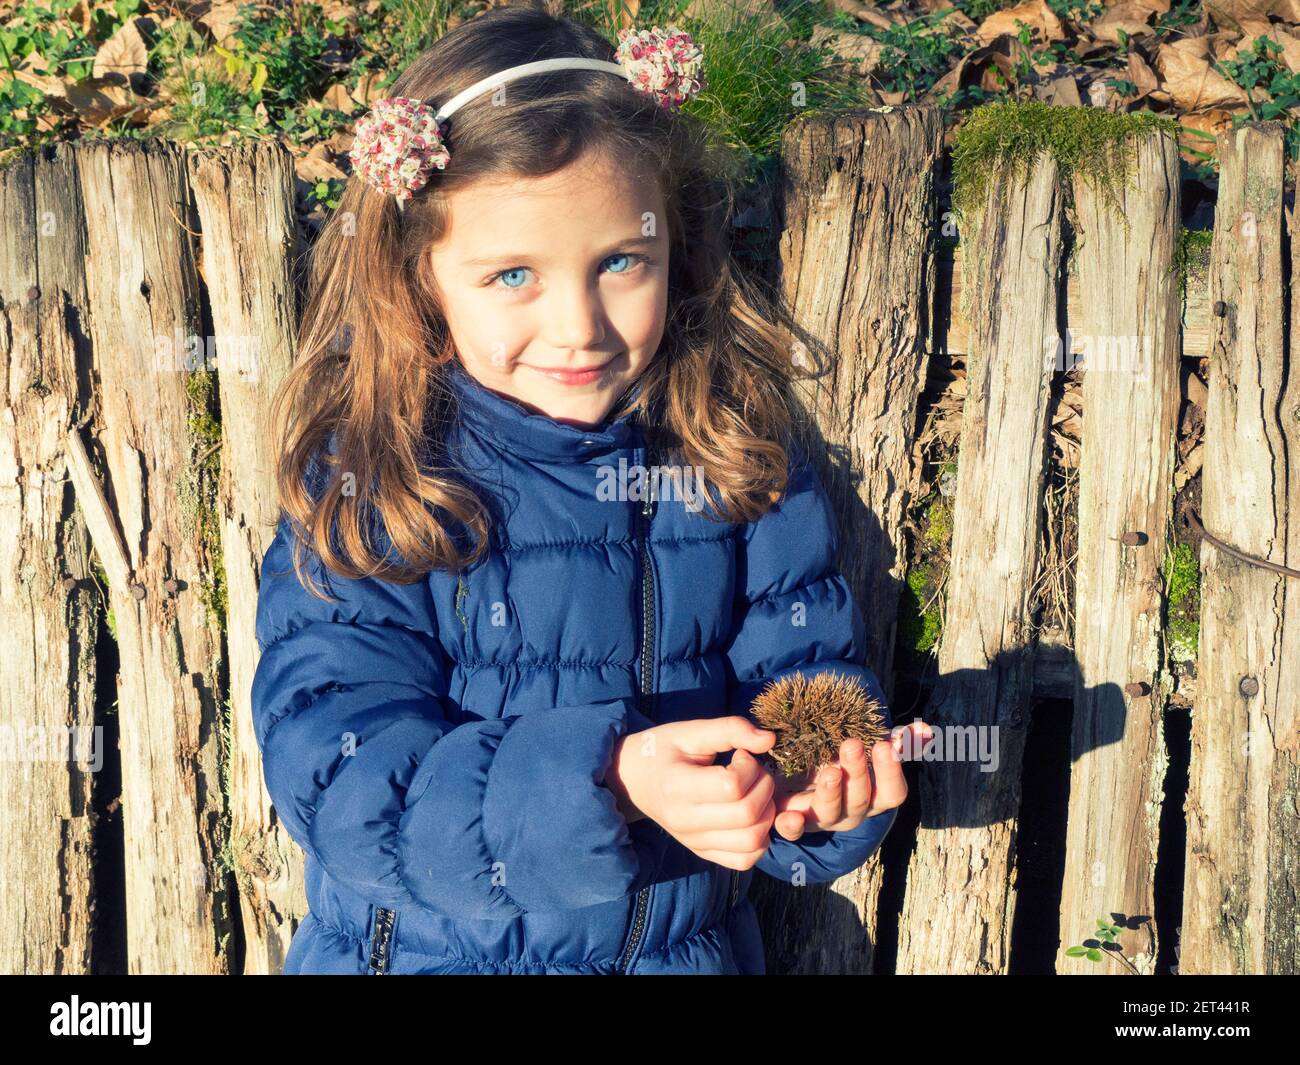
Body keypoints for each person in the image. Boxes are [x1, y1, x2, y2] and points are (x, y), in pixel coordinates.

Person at [251, 5, 921, 976]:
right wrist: (600, 780)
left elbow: (803, 679)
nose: (579, 326)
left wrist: (815, 786)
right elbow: (344, 788)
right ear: (421, 279)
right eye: (513, 274)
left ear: (671, 250)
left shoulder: (728, 454)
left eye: (619, 264)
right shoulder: (376, 482)